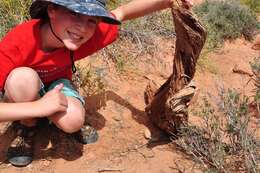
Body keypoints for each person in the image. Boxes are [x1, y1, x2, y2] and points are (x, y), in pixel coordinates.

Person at [0, 0, 193, 167]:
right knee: (22, 79)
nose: (82, 27)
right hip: (26, 90)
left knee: (73, 121)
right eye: (74, 13)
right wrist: (38, 108)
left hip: (58, 85)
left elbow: (123, 12)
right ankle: (28, 125)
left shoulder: (87, 35)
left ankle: (49, 115)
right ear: (52, 10)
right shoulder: (19, 42)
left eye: (91, 19)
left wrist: (169, 1)